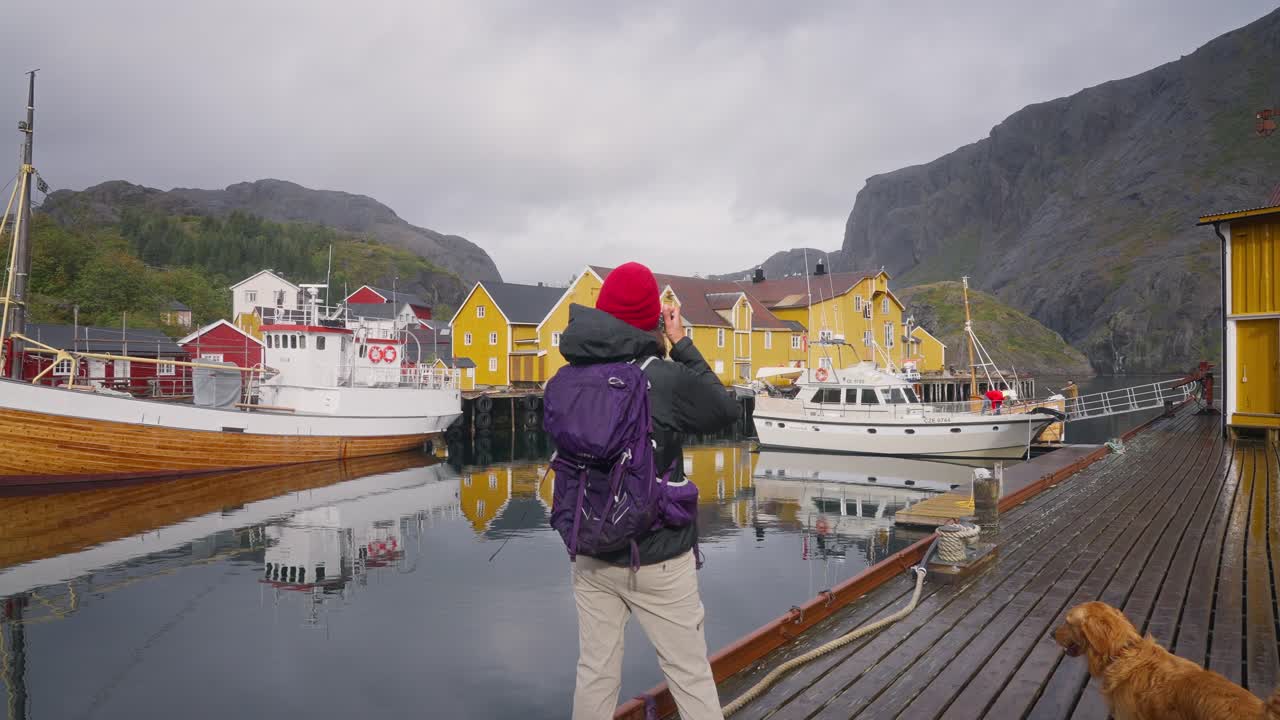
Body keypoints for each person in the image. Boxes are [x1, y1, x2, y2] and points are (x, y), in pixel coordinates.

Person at [557, 261, 739, 720]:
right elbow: (723, 411)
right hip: (656, 553)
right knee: (689, 674)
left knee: (594, 672)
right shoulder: (663, 376)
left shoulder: (569, 379)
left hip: (591, 549)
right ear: (650, 319)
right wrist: (681, 343)